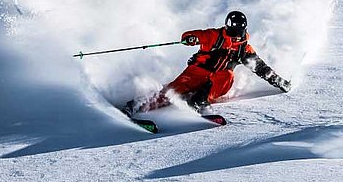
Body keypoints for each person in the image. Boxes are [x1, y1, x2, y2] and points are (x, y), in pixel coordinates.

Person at [124, 11, 291, 116]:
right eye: (233, 31)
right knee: (173, 91)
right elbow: (194, 35)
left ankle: (199, 101)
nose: (236, 36)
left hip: (217, 80)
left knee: (228, 75)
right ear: (227, 28)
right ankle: (134, 106)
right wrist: (190, 38)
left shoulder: (244, 49)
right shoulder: (215, 36)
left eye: (239, 32)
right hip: (196, 72)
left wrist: (279, 82)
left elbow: (261, 68)